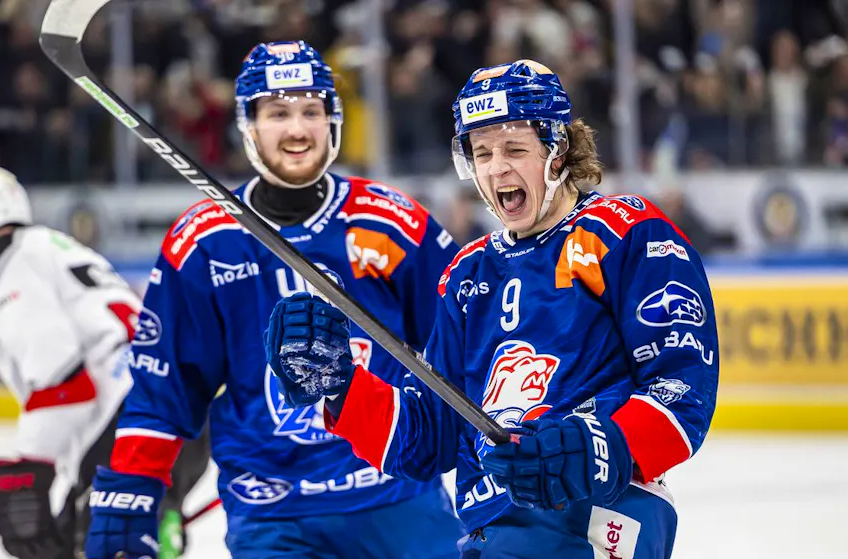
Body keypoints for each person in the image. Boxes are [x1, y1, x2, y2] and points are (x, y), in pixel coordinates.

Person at [265, 59, 720, 558]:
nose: (496, 168)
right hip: (493, 531)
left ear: (558, 149)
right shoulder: (468, 274)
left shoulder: (624, 232)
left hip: (595, 515)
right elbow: (431, 435)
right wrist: (342, 388)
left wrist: (594, 446)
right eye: (481, 153)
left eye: (514, 149)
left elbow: (682, 391)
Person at [83, 40, 465, 559]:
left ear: (332, 120)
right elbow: (165, 386)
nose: (297, 130)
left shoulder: (391, 223)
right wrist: (131, 490)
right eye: (278, 113)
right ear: (249, 125)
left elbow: (466, 343)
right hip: (273, 515)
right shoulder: (203, 243)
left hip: (398, 498)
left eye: (311, 111)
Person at [0, 167, 208, 559]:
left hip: (128, 430)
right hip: (177, 419)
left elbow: (65, 384)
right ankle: (158, 521)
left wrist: (27, 468)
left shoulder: (10, 266)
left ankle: (148, 526)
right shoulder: (50, 248)